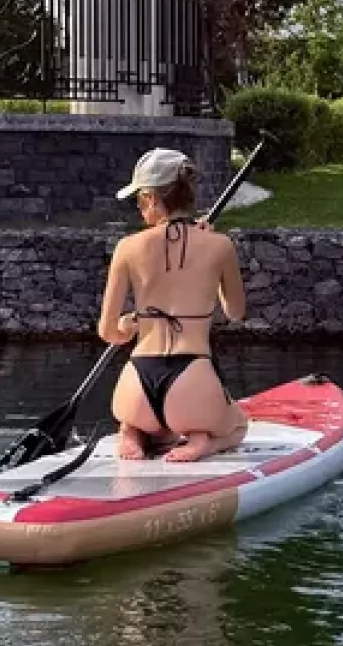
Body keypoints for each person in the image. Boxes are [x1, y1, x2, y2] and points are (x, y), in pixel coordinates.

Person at [97, 148, 248, 464]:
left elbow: (108, 332)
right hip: (192, 381)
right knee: (238, 426)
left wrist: (127, 326)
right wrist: (212, 269)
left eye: (139, 200)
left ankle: (132, 432)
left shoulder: (127, 247)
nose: (139, 208)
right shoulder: (220, 245)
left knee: (146, 424)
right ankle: (202, 440)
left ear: (152, 198)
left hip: (136, 385)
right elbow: (235, 313)